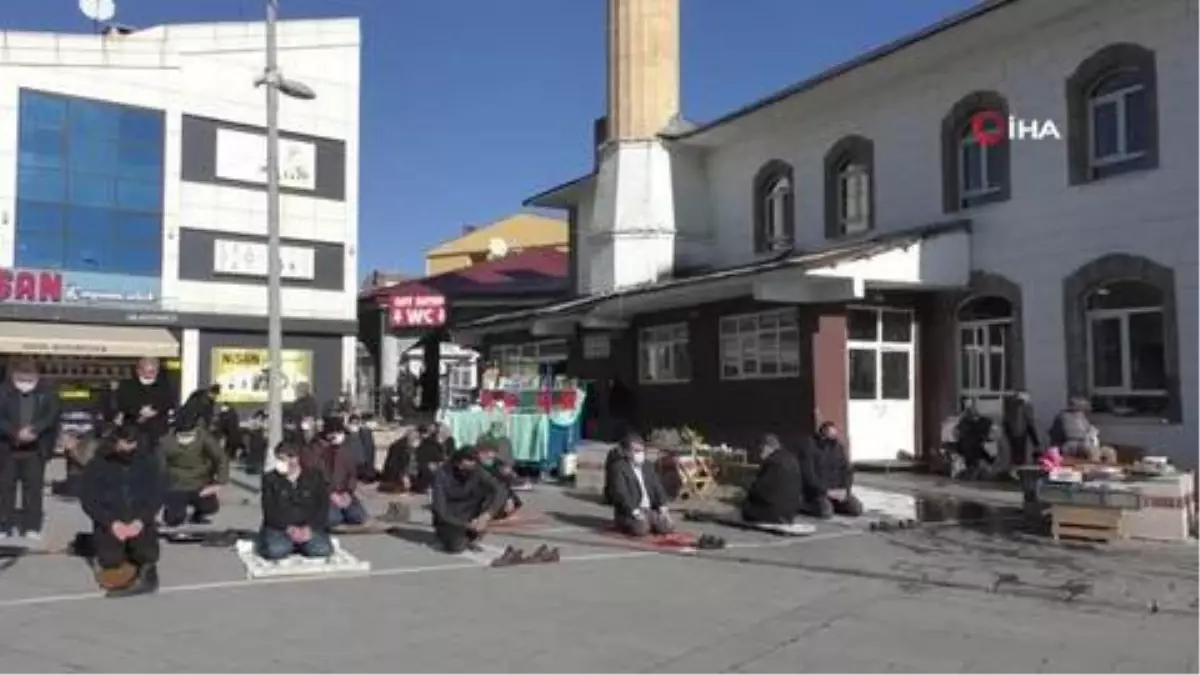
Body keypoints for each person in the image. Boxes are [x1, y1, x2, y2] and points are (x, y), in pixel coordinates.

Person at [80, 422, 165, 597]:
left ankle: (144, 568)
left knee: (146, 553)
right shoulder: (97, 465)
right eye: (124, 442)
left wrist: (141, 521)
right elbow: (89, 500)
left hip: (139, 520)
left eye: (132, 442)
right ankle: (119, 558)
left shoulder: (148, 462)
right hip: (112, 520)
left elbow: (156, 495)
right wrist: (111, 523)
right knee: (111, 561)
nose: (128, 447)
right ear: (115, 441)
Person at [0, 360, 61, 539]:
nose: (25, 383)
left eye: (29, 379)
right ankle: (4, 525)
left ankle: (31, 526)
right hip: (8, 449)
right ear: (14, 376)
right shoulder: (3, 392)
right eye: (22, 379)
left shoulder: (47, 393)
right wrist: (14, 432)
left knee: (33, 490)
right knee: (5, 489)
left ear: (36, 376)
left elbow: (51, 415)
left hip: (35, 449)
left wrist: (35, 430)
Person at [259, 443, 334, 560]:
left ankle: (300, 545)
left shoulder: (314, 476)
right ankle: (289, 544)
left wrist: (309, 528)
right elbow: (269, 510)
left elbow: (323, 506)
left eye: (285, 459)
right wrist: (289, 529)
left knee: (323, 549)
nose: (282, 462)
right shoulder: (270, 479)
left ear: (296, 458)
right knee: (275, 551)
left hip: (308, 527)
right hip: (281, 528)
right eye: (279, 459)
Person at [430, 446, 506, 553]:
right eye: (468, 461)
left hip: (471, 513)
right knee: (457, 547)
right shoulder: (441, 474)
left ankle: (474, 533)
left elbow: (500, 489)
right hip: (450, 519)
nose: (472, 464)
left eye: (474, 461)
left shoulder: (477, 471)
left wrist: (487, 515)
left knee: (495, 496)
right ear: (458, 462)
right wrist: (466, 524)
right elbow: (440, 510)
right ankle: (457, 536)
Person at [160, 412, 228, 527]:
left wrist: (220, 482)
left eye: (190, 435)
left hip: (200, 483)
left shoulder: (204, 437)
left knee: (210, 507)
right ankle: (172, 512)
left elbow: (221, 457)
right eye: (183, 435)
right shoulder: (166, 440)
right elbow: (158, 462)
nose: (187, 438)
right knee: (174, 519)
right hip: (176, 484)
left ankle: (198, 515)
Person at [302, 417, 368, 527]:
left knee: (358, 517)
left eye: (341, 432)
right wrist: (331, 493)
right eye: (336, 432)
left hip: (343, 492)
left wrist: (348, 492)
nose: (339, 436)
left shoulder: (345, 450)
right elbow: (315, 477)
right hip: (323, 495)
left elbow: (352, 475)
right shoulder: (313, 450)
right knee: (333, 519)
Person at [605, 433, 673, 536]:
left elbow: (658, 487)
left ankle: (652, 522)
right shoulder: (619, 468)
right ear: (627, 452)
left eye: (642, 451)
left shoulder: (648, 466)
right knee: (642, 529)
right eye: (636, 451)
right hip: (630, 511)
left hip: (649, 510)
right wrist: (635, 512)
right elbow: (621, 493)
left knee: (667, 526)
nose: (640, 454)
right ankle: (641, 524)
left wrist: (663, 508)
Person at [798, 422, 863, 518]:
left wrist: (845, 490)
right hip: (819, 492)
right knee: (825, 512)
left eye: (834, 436)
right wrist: (826, 492)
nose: (832, 439)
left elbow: (847, 471)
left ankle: (834, 505)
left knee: (856, 509)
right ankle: (803, 506)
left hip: (837, 490)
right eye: (828, 436)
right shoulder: (809, 447)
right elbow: (809, 476)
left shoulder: (838, 448)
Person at [741, 434, 803, 524]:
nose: (759, 452)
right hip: (791, 511)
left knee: (747, 507)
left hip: (774, 512)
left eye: (760, 449)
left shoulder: (772, 461)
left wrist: (749, 487)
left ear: (766, 447)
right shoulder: (792, 458)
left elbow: (762, 489)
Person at [116, 357, 176, 446]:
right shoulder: (127, 385)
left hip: (158, 433)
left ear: (157, 371)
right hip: (132, 432)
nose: (148, 375)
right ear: (138, 371)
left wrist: (155, 410)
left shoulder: (165, 386)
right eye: (144, 371)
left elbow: (170, 402)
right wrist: (139, 411)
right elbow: (122, 403)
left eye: (152, 372)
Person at [478, 442, 522, 519]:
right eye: (485, 453)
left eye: (491, 453)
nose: (489, 455)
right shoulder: (475, 466)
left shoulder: (497, 464)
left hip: (494, 493)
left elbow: (503, 484)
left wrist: (509, 498)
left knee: (507, 496)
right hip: (478, 496)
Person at [1002, 391, 1040, 467]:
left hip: (1011, 433)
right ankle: (1020, 471)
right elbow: (1030, 423)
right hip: (1022, 433)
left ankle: (1013, 470)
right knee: (1021, 455)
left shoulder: (1011, 406)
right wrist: (1035, 441)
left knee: (1013, 454)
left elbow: (1005, 421)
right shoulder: (1026, 406)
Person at [379, 428, 419, 493]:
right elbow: (395, 465)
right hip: (395, 477)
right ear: (409, 436)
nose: (416, 439)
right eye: (415, 437)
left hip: (401, 475)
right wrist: (404, 477)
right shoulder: (399, 447)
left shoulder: (409, 446)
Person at [346, 414, 378, 482]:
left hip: (363, 466)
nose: (354, 425)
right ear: (348, 424)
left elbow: (370, 452)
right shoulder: (345, 436)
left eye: (356, 423)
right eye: (352, 423)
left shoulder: (365, 434)